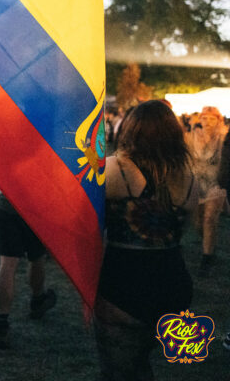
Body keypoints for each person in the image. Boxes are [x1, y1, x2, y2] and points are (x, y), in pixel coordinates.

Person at [94, 100, 197, 380]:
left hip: (123, 288)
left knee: (118, 372)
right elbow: (180, 233)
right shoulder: (189, 178)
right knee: (141, 364)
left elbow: (87, 223)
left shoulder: (113, 170)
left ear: (130, 131)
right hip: (173, 289)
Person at [0, 191, 56, 349]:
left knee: (7, 263)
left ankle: (1, 323)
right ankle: (38, 300)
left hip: (7, 205)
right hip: (37, 206)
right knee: (37, 257)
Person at [186, 105, 227, 273]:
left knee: (210, 219)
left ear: (218, 120)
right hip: (196, 184)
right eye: (204, 118)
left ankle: (207, 257)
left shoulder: (224, 138)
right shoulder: (190, 136)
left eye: (212, 118)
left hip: (215, 184)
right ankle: (209, 243)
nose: (208, 122)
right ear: (199, 119)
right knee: (197, 223)